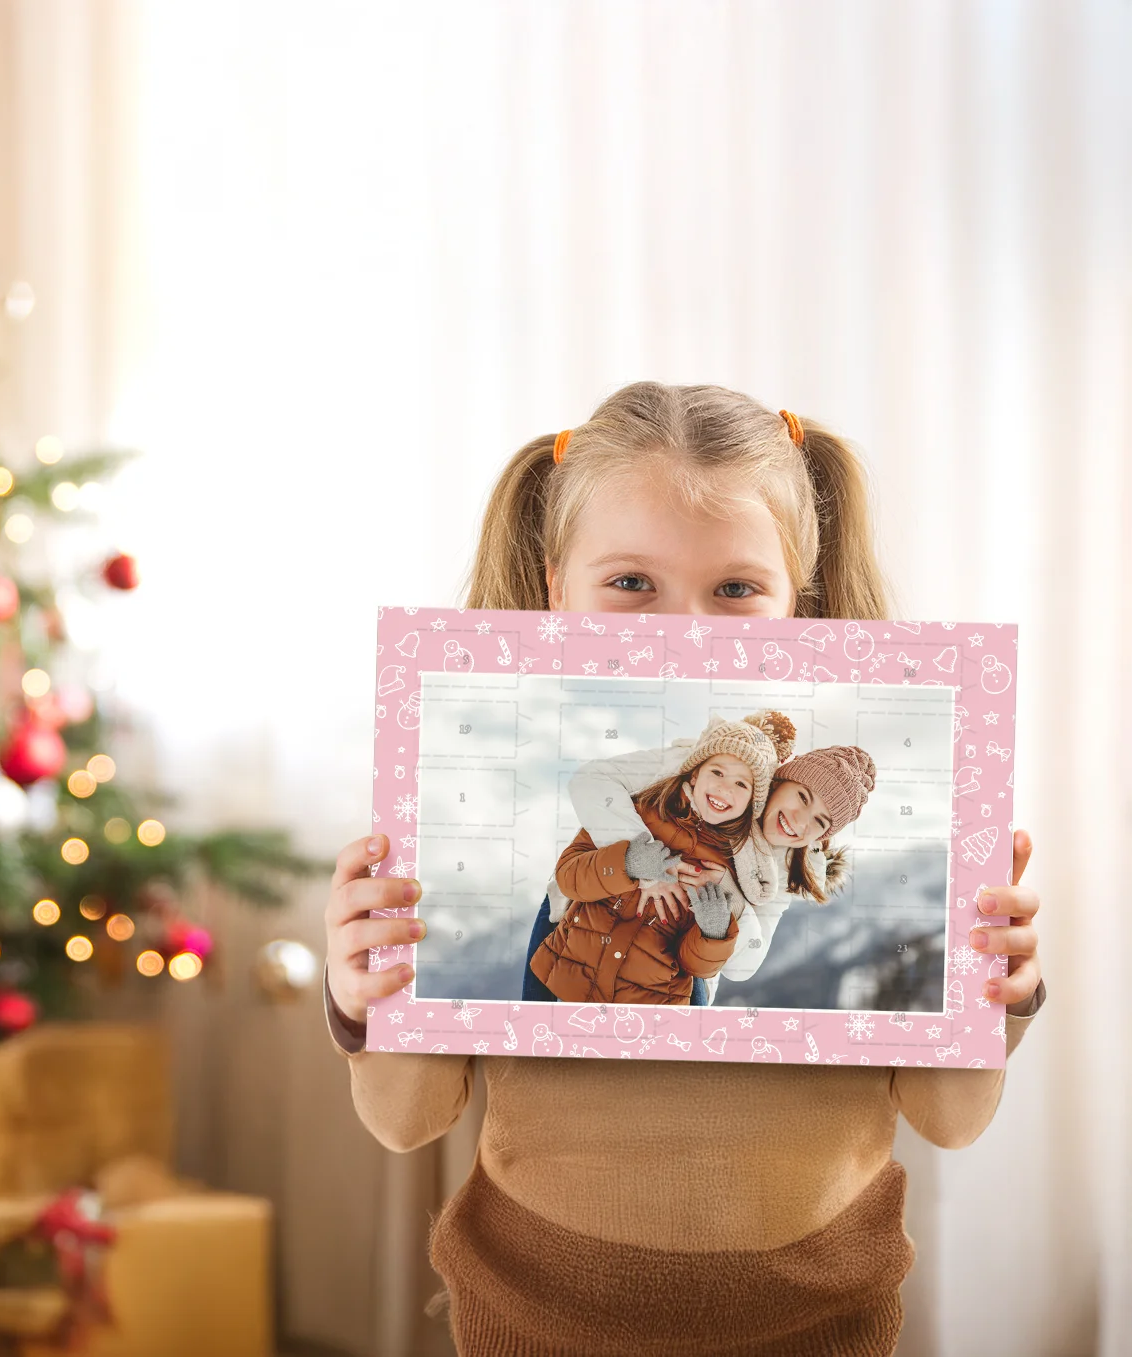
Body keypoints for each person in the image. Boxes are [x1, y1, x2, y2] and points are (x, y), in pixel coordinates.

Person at [323, 383, 1045, 1355]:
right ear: (553, 590)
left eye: (737, 589)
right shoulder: (552, 810)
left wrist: (1000, 987)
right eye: (630, 584)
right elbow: (406, 1120)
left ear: (802, 603)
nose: (682, 628)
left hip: (820, 1314)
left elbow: (950, 1121)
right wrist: (363, 993)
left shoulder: (806, 850)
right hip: (534, 1311)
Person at [529, 713, 795, 1006]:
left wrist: (714, 931)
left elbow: (698, 968)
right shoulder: (638, 810)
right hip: (571, 982)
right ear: (695, 774)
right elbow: (569, 878)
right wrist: (628, 862)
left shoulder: (726, 868)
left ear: (752, 803)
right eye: (717, 772)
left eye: (742, 784)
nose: (725, 788)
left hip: (651, 1006)